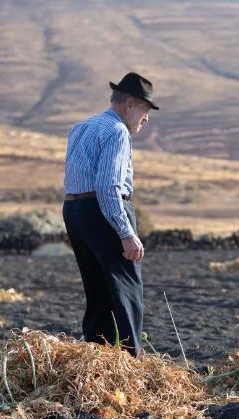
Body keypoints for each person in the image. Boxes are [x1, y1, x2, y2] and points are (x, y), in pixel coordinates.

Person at [62, 72, 158, 356]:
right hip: (104, 210)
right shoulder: (117, 132)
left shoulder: (82, 126)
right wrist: (126, 233)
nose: (146, 118)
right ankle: (129, 362)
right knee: (126, 289)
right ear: (129, 104)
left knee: (98, 290)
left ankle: (95, 356)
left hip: (74, 210)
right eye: (145, 109)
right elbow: (107, 187)